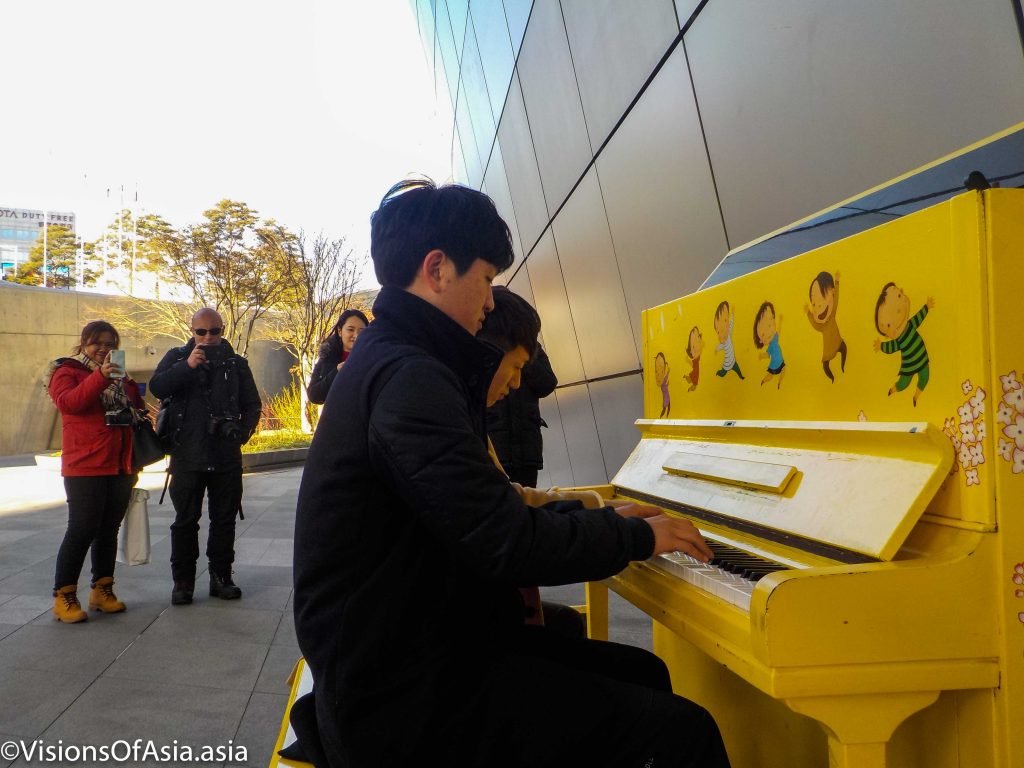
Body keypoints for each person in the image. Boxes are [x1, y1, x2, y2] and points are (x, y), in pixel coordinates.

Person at [293, 179, 731, 768]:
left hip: (415, 657)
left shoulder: (396, 359)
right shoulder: (408, 377)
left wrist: (603, 517)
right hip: (401, 702)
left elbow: (483, 515)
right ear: (438, 269)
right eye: (487, 279)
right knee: (682, 733)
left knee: (645, 672)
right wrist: (638, 535)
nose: (491, 300)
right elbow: (505, 543)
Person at [149, 308, 261, 606]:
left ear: (222, 330)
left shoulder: (236, 364)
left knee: (224, 521)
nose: (208, 337)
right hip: (187, 455)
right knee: (185, 521)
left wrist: (241, 433)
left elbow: (253, 404)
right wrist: (187, 366)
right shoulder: (176, 357)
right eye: (202, 332)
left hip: (226, 456)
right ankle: (183, 581)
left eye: (215, 331)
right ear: (192, 331)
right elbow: (157, 387)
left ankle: (221, 577)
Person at [46, 320, 144, 623]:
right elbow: (70, 404)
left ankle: (102, 590)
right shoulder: (67, 371)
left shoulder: (121, 376)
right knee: (81, 529)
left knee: (108, 530)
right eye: (96, 343)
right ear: (84, 344)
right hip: (84, 465)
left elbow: (136, 406)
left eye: (109, 343)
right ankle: (64, 596)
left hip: (120, 463)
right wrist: (100, 377)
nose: (103, 349)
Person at [485, 314, 556, 488]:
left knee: (527, 499)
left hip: (526, 449)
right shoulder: (487, 346)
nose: (514, 383)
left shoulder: (532, 348)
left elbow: (547, 383)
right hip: (496, 446)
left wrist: (523, 357)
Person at [306, 309, 369, 405]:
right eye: (350, 330)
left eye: (362, 331)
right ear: (340, 331)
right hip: (335, 417)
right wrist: (336, 372)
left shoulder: (373, 359)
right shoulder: (328, 356)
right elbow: (314, 395)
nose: (356, 335)